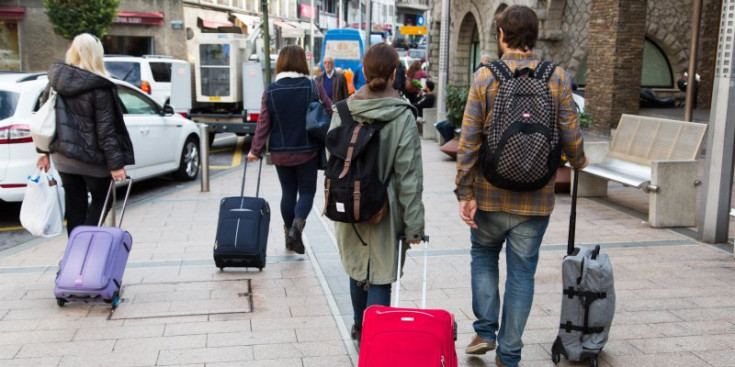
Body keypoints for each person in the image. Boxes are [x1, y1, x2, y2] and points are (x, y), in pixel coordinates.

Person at [455, 6, 587, 367]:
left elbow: (468, 142)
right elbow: (570, 133)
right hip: (536, 199)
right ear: (535, 36)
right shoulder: (556, 77)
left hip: (489, 194)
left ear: (500, 36)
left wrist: (464, 193)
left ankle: (484, 331)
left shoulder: (484, 77)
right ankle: (509, 353)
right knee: (522, 272)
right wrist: (579, 162)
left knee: (482, 256)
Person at [328, 43, 425, 344]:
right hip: (387, 208)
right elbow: (409, 176)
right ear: (395, 72)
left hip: (347, 202)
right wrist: (414, 226)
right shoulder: (402, 116)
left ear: (364, 71)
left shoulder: (343, 110)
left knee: (358, 268)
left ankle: (360, 326)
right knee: (381, 273)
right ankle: (377, 340)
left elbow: (332, 159)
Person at [36, 33, 134, 236]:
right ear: (96, 55)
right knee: (101, 201)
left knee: (75, 205)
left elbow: (45, 118)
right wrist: (116, 165)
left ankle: (73, 255)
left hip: (62, 156)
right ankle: (84, 249)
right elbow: (107, 130)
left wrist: (42, 151)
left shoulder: (55, 82)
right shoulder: (99, 87)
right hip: (92, 159)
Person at [246, 45, 333, 255]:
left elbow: (263, 124)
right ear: (302, 62)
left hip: (280, 152)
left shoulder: (271, 90)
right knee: (307, 192)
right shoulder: (313, 86)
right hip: (308, 151)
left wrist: (255, 150)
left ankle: (289, 237)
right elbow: (330, 110)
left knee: (287, 192)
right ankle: (296, 228)